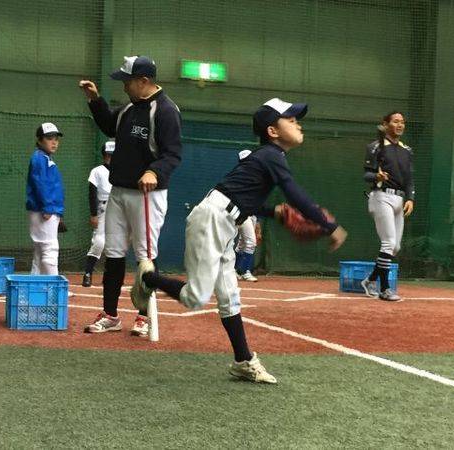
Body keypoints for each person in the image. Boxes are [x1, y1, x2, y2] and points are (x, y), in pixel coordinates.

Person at [132, 98, 347, 383]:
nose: (298, 124)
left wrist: (273, 212)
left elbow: (243, 199)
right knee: (195, 298)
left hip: (225, 222)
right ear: (272, 131)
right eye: (291, 119)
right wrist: (330, 226)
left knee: (230, 298)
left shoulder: (268, 156)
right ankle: (149, 279)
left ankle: (243, 361)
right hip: (212, 221)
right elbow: (294, 194)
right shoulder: (271, 155)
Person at [79, 55, 182, 337]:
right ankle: (110, 315)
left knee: (146, 256)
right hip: (119, 191)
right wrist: (95, 100)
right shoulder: (128, 109)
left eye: (127, 81)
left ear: (144, 81)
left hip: (147, 195)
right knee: (113, 254)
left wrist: (154, 171)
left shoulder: (165, 111)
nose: (124, 86)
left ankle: (144, 316)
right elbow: (109, 126)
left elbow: (173, 154)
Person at [360, 112, 414, 302]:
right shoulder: (375, 147)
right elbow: (366, 175)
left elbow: (409, 178)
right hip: (381, 197)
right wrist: (377, 176)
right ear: (385, 124)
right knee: (388, 243)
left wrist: (410, 198)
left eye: (402, 122)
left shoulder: (407, 150)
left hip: (400, 199)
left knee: (395, 247)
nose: (400, 125)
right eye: (395, 121)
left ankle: (370, 280)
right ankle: (385, 289)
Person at [26, 122, 65, 275]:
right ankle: (54, 285)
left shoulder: (44, 158)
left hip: (45, 209)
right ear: (40, 140)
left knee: (39, 253)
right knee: (50, 249)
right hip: (43, 210)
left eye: (56, 138)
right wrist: (48, 207)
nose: (54, 142)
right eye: (49, 138)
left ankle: (35, 284)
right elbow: (41, 184)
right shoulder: (40, 158)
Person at [82, 140, 114, 287]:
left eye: (113, 155)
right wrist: (93, 214)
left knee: (116, 243)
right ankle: (88, 273)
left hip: (119, 209)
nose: (111, 158)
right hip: (103, 208)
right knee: (99, 242)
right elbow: (92, 193)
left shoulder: (122, 171)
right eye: (108, 155)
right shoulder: (97, 171)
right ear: (104, 155)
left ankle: (110, 276)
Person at [234, 150, 259, 282]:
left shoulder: (256, 175)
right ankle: (244, 271)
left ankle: (234, 270)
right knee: (251, 242)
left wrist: (258, 222)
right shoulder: (240, 175)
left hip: (252, 213)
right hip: (243, 212)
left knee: (242, 243)